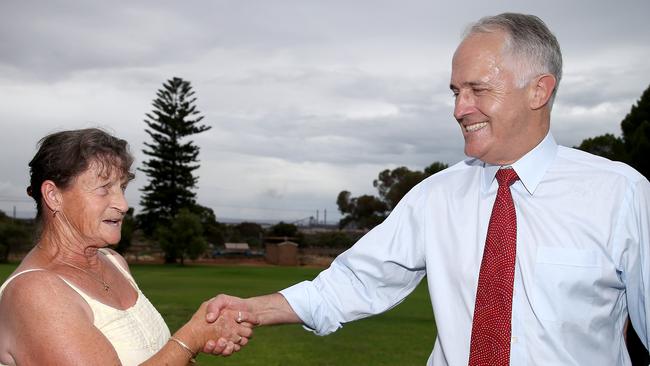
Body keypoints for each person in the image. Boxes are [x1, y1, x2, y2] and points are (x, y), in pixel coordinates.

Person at [204, 13, 650, 365]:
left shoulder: (621, 195)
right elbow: (351, 283)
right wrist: (250, 309)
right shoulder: (433, 197)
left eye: (477, 89)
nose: (460, 108)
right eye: (455, 91)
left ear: (538, 91)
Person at [0, 128, 257, 365]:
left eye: (122, 187)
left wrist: (205, 335)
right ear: (53, 196)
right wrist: (192, 338)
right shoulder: (34, 293)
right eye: (104, 189)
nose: (123, 204)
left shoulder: (114, 262)